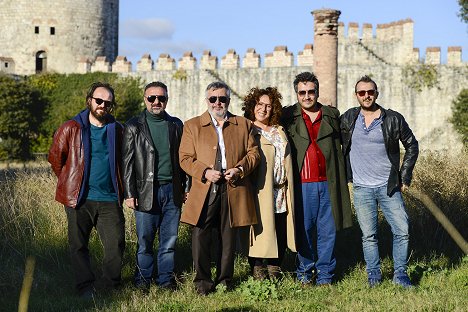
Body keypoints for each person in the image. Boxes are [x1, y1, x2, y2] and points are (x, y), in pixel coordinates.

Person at [179, 81, 260, 295]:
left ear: (228, 101)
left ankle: (225, 281)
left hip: (232, 185)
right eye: (213, 99)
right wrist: (205, 172)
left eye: (222, 99)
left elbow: (254, 154)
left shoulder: (243, 124)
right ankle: (202, 283)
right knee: (201, 235)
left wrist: (239, 169)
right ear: (207, 101)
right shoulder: (192, 125)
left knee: (228, 236)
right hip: (205, 186)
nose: (217, 103)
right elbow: (185, 158)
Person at [48, 82, 125, 299]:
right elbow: (56, 158)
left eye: (107, 102)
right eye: (99, 100)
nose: (103, 105)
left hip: (110, 198)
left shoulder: (117, 129)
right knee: (78, 245)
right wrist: (70, 182)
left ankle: (110, 286)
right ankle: (85, 287)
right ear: (89, 100)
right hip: (79, 198)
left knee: (116, 244)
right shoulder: (71, 127)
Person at [341, 75, 419, 288]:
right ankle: (373, 275)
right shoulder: (348, 119)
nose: (366, 96)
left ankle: (400, 275)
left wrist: (405, 176)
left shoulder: (393, 118)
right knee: (369, 235)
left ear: (377, 93)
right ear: (356, 95)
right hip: (361, 188)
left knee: (402, 230)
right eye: (362, 93)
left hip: (389, 187)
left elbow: (412, 145)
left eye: (370, 92)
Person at [281, 72, 353, 286]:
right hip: (302, 184)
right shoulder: (288, 116)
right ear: (296, 94)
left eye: (311, 92)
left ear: (317, 92)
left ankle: (325, 275)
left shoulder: (331, 114)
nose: (307, 96)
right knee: (304, 230)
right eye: (302, 92)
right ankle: (304, 271)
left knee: (327, 231)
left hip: (328, 182)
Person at [122, 81, 186, 291]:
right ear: (145, 99)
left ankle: (166, 281)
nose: (156, 102)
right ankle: (142, 281)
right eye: (152, 98)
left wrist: (185, 188)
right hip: (145, 191)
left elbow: (184, 160)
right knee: (145, 242)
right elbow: (127, 163)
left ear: (167, 100)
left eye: (161, 98)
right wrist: (130, 193)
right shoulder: (133, 125)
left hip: (172, 191)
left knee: (169, 241)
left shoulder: (176, 125)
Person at [241, 87, 296, 280]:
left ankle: (275, 267)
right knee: (259, 229)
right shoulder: (247, 130)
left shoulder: (279, 131)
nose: (263, 109)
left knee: (280, 227)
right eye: (259, 104)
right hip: (259, 189)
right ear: (252, 106)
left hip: (281, 190)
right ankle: (257, 268)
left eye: (268, 106)